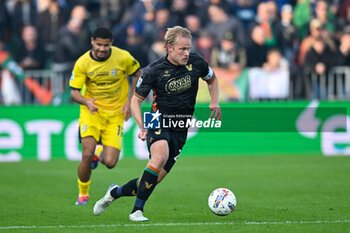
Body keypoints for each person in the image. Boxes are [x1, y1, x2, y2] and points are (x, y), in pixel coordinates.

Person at [93, 26, 221, 221]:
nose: (187, 53)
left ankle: (114, 193)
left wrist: (214, 102)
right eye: (182, 49)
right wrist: (141, 126)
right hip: (157, 119)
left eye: (188, 48)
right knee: (159, 157)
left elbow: (212, 79)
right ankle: (137, 211)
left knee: (150, 181)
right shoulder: (154, 70)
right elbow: (135, 100)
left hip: (181, 126)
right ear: (169, 47)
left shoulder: (197, 62)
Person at [69, 27, 141, 205]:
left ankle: (99, 154)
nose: (102, 49)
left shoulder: (123, 57)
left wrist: (130, 101)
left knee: (110, 162)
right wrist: (86, 102)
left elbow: (138, 74)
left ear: (111, 44)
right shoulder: (83, 63)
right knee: (86, 155)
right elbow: (74, 92)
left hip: (115, 114)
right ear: (92, 41)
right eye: (99, 44)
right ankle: (83, 194)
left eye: (106, 45)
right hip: (91, 113)